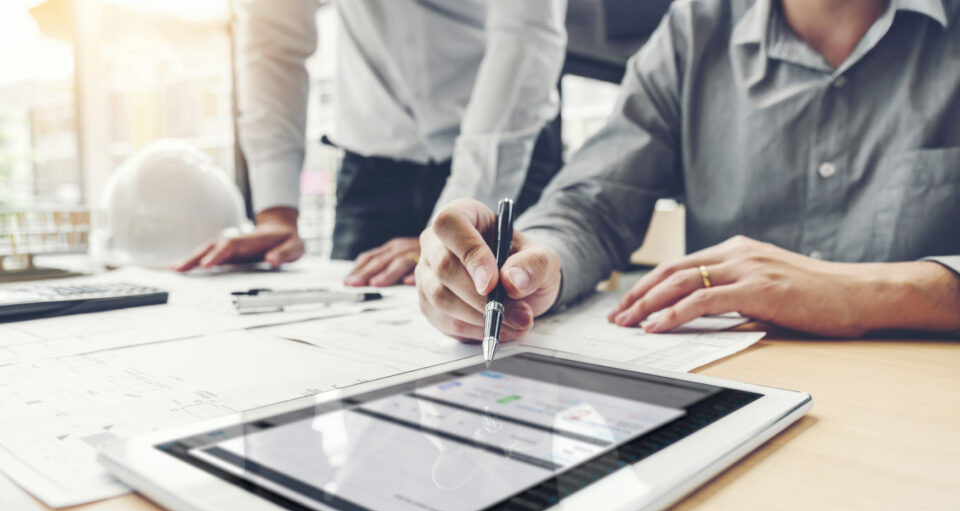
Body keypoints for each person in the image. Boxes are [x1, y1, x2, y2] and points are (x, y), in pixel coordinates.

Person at [416, 0, 960, 342]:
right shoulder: (695, 28)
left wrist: (858, 292)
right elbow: (594, 202)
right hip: (738, 395)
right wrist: (530, 263)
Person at [173, 0, 568, 288]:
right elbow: (273, 38)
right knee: (353, 340)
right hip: (373, 169)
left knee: (515, 334)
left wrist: (450, 232)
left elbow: (526, 37)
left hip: (509, 159)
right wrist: (276, 212)